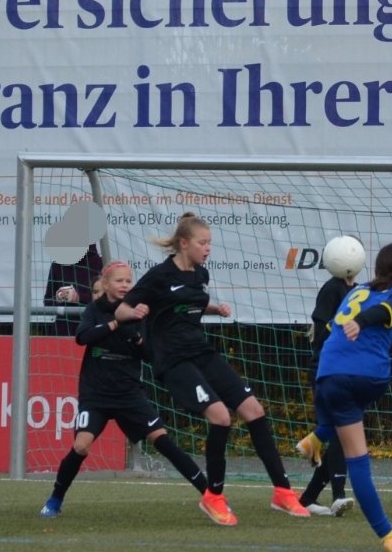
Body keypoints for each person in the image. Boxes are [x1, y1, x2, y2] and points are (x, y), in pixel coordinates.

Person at [129, 212, 310, 520]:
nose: (208, 248)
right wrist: (128, 316)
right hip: (174, 361)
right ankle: (213, 497)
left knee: (254, 411)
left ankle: (283, 492)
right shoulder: (160, 276)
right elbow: (127, 305)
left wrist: (215, 309)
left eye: (209, 242)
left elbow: (190, 304)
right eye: (202, 242)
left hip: (202, 352)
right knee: (221, 417)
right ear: (184, 244)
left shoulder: (200, 274)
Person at [39, 261, 222, 521]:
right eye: (119, 281)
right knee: (81, 446)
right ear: (105, 284)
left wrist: (136, 337)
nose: (125, 285)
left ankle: (211, 496)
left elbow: (148, 354)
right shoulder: (95, 309)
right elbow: (82, 337)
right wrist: (117, 323)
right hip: (96, 395)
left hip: (129, 394)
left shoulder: (140, 311)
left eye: (128, 281)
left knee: (163, 441)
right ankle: (55, 499)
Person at [310, 243, 392, 552]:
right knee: (358, 460)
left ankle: (315, 439)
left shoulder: (355, 292)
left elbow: (328, 329)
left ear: (374, 270)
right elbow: (383, 311)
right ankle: (389, 537)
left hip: (328, 374)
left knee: (345, 417)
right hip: (365, 377)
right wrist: (361, 323)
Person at [292, 256, 356, 517]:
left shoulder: (359, 291)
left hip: (348, 370)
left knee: (343, 432)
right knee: (343, 431)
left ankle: (308, 498)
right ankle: (338, 496)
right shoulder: (332, 288)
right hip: (327, 369)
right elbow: (321, 330)